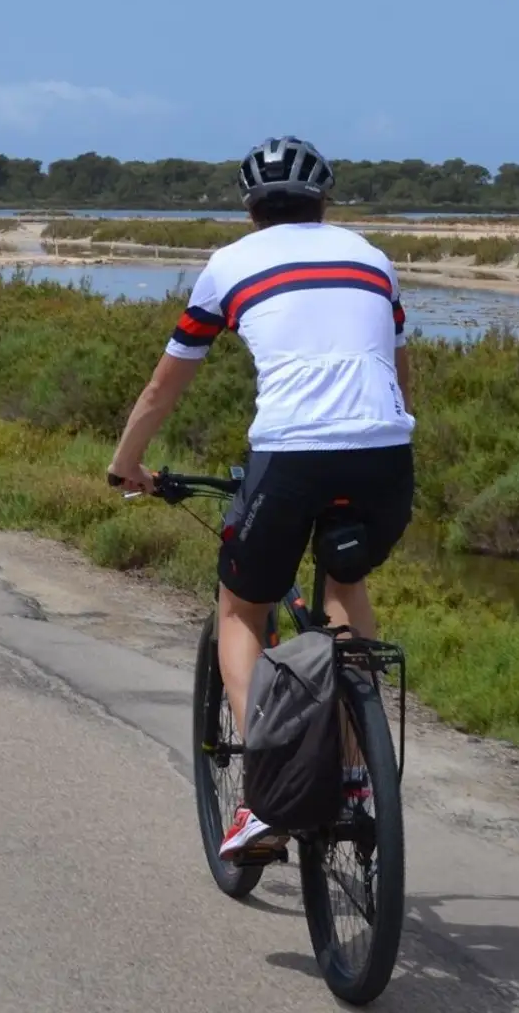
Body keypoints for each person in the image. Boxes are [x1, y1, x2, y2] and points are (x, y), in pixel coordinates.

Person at [106, 136, 414, 860]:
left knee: (241, 610)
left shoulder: (229, 265)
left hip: (289, 455)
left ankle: (268, 797)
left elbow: (163, 386)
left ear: (250, 210)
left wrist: (126, 465)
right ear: (324, 202)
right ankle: (358, 776)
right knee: (346, 584)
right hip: (384, 453)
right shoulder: (372, 257)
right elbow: (402, 374)